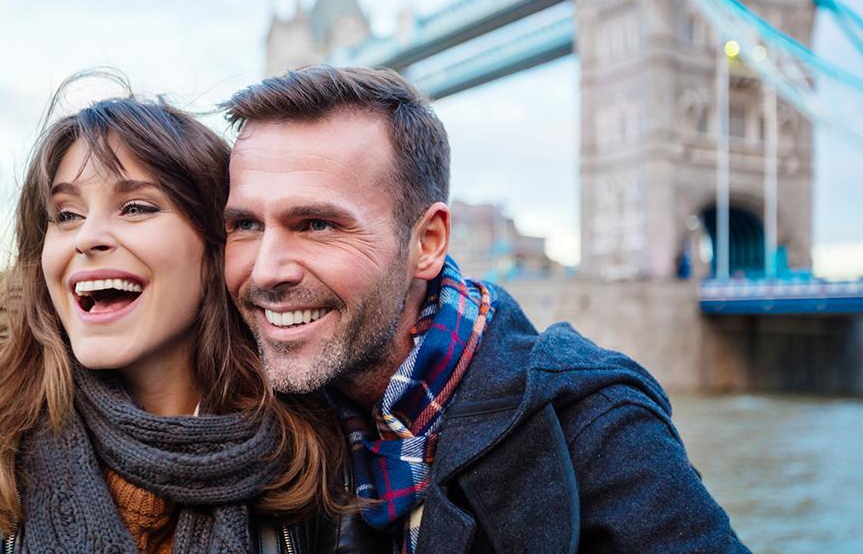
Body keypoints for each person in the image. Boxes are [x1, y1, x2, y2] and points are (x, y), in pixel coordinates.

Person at [222, 65, 752, 554]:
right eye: (246, 224)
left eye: (317, 224)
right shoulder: (251, 419)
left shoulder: (593, 430)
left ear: (427, 242)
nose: (267, 271)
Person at [0, 82, 344, 554]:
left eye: (135, 208)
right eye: (65, 215)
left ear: (218, 246)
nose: (87, 238)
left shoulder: (314, 447)